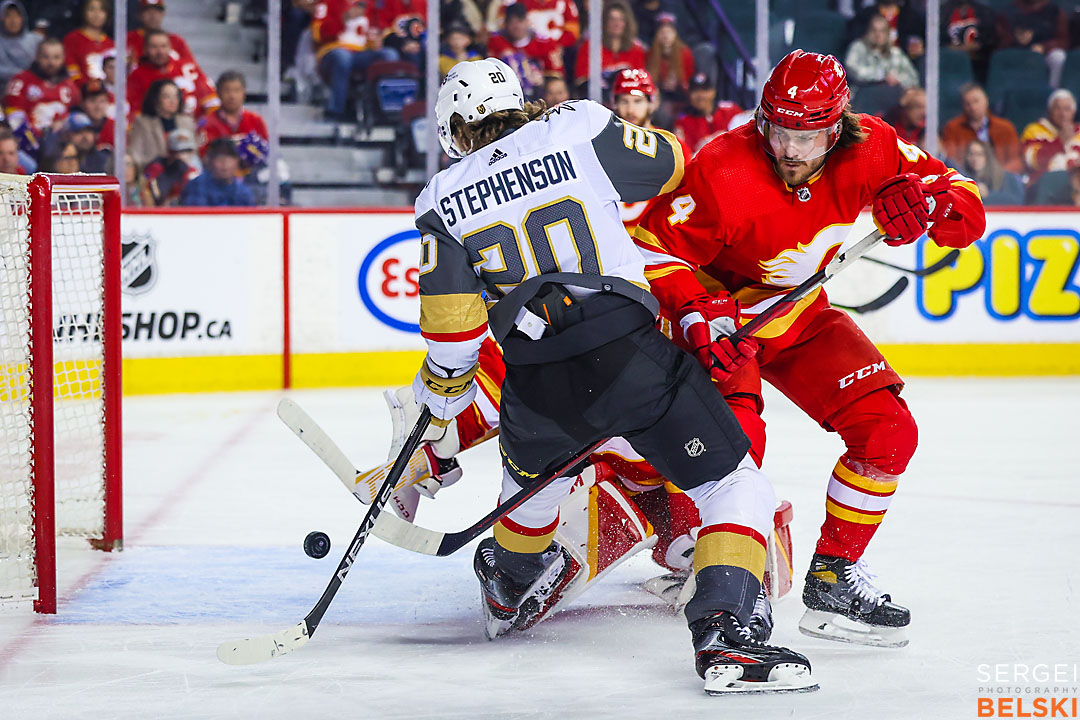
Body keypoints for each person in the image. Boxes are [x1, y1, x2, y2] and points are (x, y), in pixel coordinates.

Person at [411, 56, 816, 694]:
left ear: (454, 128)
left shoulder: (438, 199)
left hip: (532, 382)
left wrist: (434, 411)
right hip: (626, 355)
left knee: (532, 489)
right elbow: (673, 164)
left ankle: (510, 580)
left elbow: (454, 342)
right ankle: (728, 637)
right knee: (731, 482)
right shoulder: (575, 127)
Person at [632, 49, 986, 648]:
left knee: (888, 430)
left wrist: (931, 207)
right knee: (735, 454)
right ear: (762, 117)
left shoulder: (872, 145)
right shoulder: (724, 165)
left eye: (809, 133)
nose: (791, 149)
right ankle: (698, 553)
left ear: (838, 124)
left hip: (797, 315)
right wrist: (694, 314)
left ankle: (833, 579)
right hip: (724, 326)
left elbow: (966, 204)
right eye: (780, 130)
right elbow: (647, 249)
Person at [608, 68, 690, 232]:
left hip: (653, 243)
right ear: (614, 103)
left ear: (652, 102)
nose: (630, 109)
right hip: (610, 242)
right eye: (624, 101)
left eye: (637, 101)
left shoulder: (671, 148)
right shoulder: (602, 143)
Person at [311, 0, 400, 122]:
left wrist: (378, 38)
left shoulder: (371, 4)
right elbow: (318, 35)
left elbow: (383, 28)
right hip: (332, 50)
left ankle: (382, 112)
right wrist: (344, 19)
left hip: (363, 52)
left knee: (390, 55)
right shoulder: (327, 3)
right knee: (343, 57)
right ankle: (336, 110)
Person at [127, 29, 218, 121]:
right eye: (154, 47)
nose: (160, 51)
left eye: (163, 46)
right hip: (156, 128)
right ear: (145, 49)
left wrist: (207, 124)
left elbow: (210, 100)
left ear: (170, 47)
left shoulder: (188, 67)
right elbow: (135, 112)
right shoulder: (136, 75)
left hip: (194, 125)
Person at [4, 38, 82, 136]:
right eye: (46, 57)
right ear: (37, 57)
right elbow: (14, 118)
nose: (51, 62)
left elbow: (77, 119)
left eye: (56, 57)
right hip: (27, 143)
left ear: (63, 58)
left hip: (62, 144)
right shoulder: (20, 81)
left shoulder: (70, 86)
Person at [941, 83, 1023, 174]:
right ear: (963, 106)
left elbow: (1016, 161)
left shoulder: (1005, 128)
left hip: (1000, 181)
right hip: (966, 179)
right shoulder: (953, 128)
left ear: (986, 101)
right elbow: (951, 160)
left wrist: (999, 176)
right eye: (968, 104)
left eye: (976, 101)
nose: (972, 107)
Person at [487, 3, 562, 99]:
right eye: (511, 22)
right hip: (506, 94)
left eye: (520, 21)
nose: (516, 26)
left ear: (527, 21)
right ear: (505, 24)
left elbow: (557, 75)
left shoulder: (545, 43)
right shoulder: (496, 42)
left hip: (541, 95)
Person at [573, 0, 646, 95]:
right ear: (605, 22)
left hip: (626, 98)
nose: (617, 24)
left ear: (627, 23)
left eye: (621, 19)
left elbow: (640, 81)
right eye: (612, 19)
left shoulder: (636, 49)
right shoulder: (589, 47)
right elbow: (580, 80)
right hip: (597, 98)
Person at [997, 0, 1069, 88]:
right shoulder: (1008, 11)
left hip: (1045, 54)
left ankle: (1053, 91)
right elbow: (1002, 44)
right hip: (1018, 54)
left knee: (1058, 56)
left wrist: (1044, 47)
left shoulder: (1054, 11)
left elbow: (1063, 41)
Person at [128, 79, 197, 167]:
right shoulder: (142, 123)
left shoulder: (187, 122)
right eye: (167, 96)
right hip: (152, 174)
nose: (173, 101)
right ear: (156, 99)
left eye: (176, 96)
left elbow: (194, 154)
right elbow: (135, 154)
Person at [844, 14, 919, 90]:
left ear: (888, 34)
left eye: (882, 31)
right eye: (874, 30)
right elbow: (853, 71)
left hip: (893, 92)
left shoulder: (895, 53)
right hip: (864, 91)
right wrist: (882, 75)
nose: (878, 35)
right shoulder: (858, 47)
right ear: (868, 31)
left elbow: (913, 78)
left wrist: (898, 79)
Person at [1020, 88, 1080, 184]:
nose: (1062, 114)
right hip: (1043, 184)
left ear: (1073, 112)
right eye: (1057, 108)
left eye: (1067, 109)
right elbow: (1031, 161)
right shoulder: (1034, 130)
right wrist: (1060, 142)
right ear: (1050, 110)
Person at [674, 73, 742, 156]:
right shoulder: (683, 122)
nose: (700, 95)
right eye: (695, 91)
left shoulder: (731, 110)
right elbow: (685, 156)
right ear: (689, 94)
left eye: (705, 90)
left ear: (713, 92)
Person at [180, 138, 255, 207]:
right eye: (219, 158)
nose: (225, 163)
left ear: (237, 162)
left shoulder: (243, 191)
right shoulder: (197, 186)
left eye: (230, 158)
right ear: (210, 161)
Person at [126, 0, 197, 69]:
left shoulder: (176, 41)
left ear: (163, 14)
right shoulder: (126, 39)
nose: (153, 16)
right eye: (148, 11)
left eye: (157, 12)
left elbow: (191, 68)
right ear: (139, 15)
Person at [644, 12, 693, 110]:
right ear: (656, 35)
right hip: (660, 96)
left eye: (669, 32)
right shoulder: (649, 54)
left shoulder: (685, 53)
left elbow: (689, 80)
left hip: (680, 96)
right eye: (662, 32)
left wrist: (678, 84)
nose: (666, 36)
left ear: (675, 34)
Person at [941, 0, 999, 83]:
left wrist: (978, 45)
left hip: (978, 64)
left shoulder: (984, 11)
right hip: (949, 64)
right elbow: (937, 39)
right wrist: (953, 48)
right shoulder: (943, 11)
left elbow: (991, 38)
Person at [959, 139, 1025, 205]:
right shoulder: (964, 178)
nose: (975, 158)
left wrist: (988, 195)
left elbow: (1016, 201)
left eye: (979, 154)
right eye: (971, 154)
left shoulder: (1005, 177)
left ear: (987, 157)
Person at [144, 127, 200, 206]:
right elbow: (155, 198)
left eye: (187, 151)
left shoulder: (192, 172)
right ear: (169, 153)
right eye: (177, 152)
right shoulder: (156, 168)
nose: (182, 156)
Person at [63, 0, 113, 83]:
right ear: (84, 12)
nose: (97, 14)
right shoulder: (72, 39)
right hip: (81, 91)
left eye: (102, 10)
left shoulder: (111, 44)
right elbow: (71, 71)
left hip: (108, 93)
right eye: (91, 9)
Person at [0, 0, 37, 90]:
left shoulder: (36, 40)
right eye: (8, 15)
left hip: (36, 86)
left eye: (17, 15)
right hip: (5, 88)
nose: (13, 20)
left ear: (23, 18)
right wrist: (24, 75)